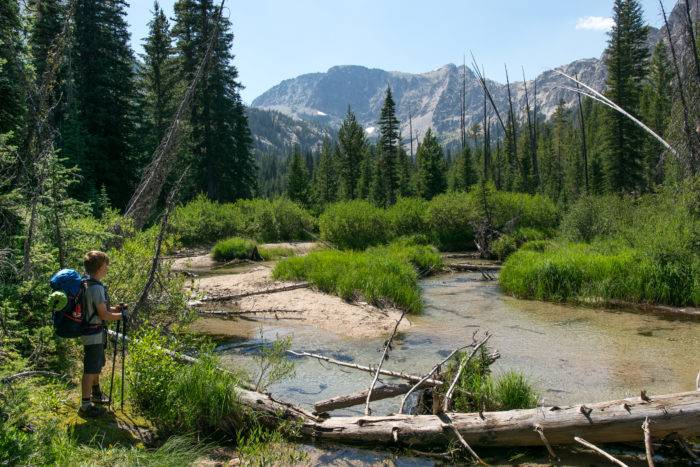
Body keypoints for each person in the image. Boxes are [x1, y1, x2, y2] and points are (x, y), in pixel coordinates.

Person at [79, 250, 127, 417]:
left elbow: (103, 310)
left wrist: (117, 310)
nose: (108, 268)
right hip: (93, 334)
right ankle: (85, 405)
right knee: (90, 368)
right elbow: (104, 315)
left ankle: (96, 392)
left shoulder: (89, 284)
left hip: (94, 332)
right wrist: (122, 316)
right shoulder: (96, 288)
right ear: (99, 268)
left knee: (96, 365)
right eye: (106, 265)